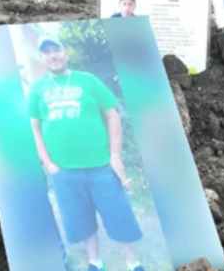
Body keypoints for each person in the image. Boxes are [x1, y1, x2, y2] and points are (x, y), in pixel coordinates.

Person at [29, 39, 146, 271]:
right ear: (42, 59)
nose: (53, 56)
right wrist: (48, 162)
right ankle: (95, 261)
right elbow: (36, 128)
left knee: (118, 214)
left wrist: (115, 155)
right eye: (47, 53)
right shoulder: (37, 89)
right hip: (64, 171)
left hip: (101, 166)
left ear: (65, 53)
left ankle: (132, 262)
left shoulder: (88, 81)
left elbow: (112, 115)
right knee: (79, 220)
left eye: (57, 50)